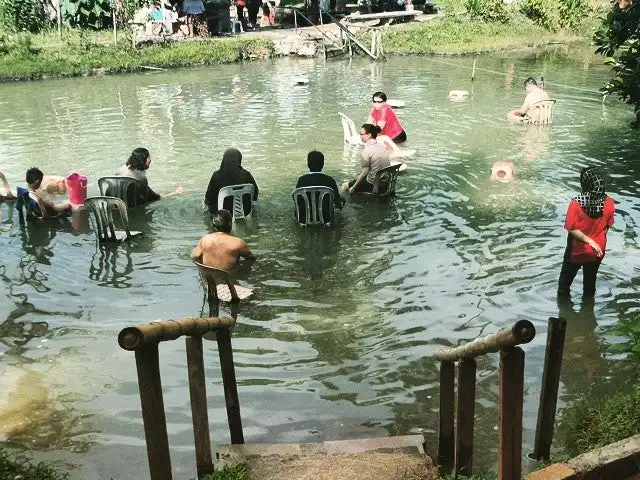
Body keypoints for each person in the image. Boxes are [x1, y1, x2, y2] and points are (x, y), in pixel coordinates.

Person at [558, 167, 615, 298]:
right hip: (597, 251)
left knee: (564, 285)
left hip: (576, 251)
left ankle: (564, 314)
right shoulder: (610, 202)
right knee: (590, 285)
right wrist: (595, 242)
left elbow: (571, 228)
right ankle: (588, 312)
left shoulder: (576, 203)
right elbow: (608, 226)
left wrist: (589, 241)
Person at [116, 147, 184, 206]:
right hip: (133, 206)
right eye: (149, 157)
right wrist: (174, 193)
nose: (150, 159)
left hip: (116, 203)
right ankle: (176, 192)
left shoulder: (121, 170)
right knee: (160, 199)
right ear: (144, 160)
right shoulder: (141, 179)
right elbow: (153, 198)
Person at [191, 209, 256, 270]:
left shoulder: (205, 239)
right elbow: (251, 260)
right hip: (228, 279)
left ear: (213, 225)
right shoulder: (238, 243)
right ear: (230, 224)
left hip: (208, 279)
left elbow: (194, 257)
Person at [204, 148, 259, 216]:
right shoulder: (247, 174)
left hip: (223, 214)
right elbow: (255, 196)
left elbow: (208, 199)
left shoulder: (216, 176)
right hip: (245, 212)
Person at [341, 124, 391, 195]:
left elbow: (365, 172)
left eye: (361, 134)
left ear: (369, 135)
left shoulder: (367, 151)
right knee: (359, 177)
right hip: (386, 184)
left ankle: (340, 203)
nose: (360, 136)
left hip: (373, 185)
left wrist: (353, 188)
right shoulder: (383, 147)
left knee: (344, 185)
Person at [296, 150, 344, 220]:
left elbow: (298, 201)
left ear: (308, 164)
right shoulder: (330, 180)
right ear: (323, 164)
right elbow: (337, 201)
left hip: (305, 217)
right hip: (326, 217)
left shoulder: (301, 180)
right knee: (343, 198)